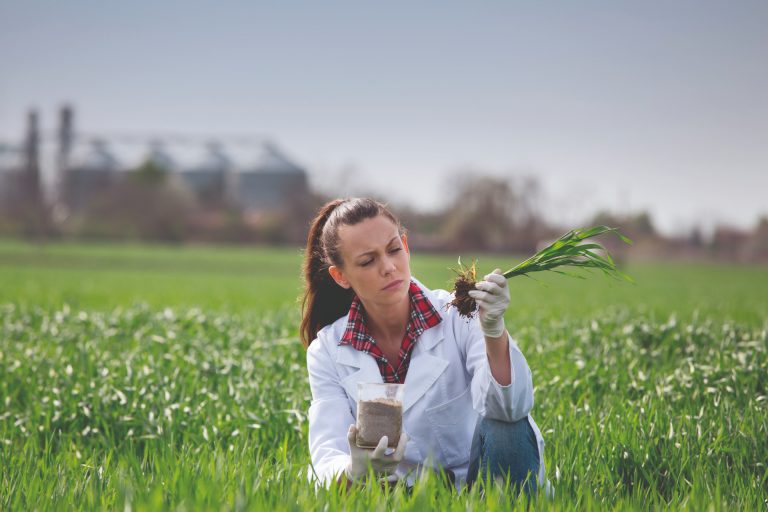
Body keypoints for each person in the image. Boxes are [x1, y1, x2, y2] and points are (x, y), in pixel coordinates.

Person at [301, 197, 547, 495]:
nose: (389, 267)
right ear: (340, 276)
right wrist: (356, 469)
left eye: (394, 250)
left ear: (405, 245)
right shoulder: (327, 350)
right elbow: (327, 457)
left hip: (480, 486)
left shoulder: (459, 316)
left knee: (507, 424)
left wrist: (493, 331)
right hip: (395, 496)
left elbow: (512, 411)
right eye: (368, 261)